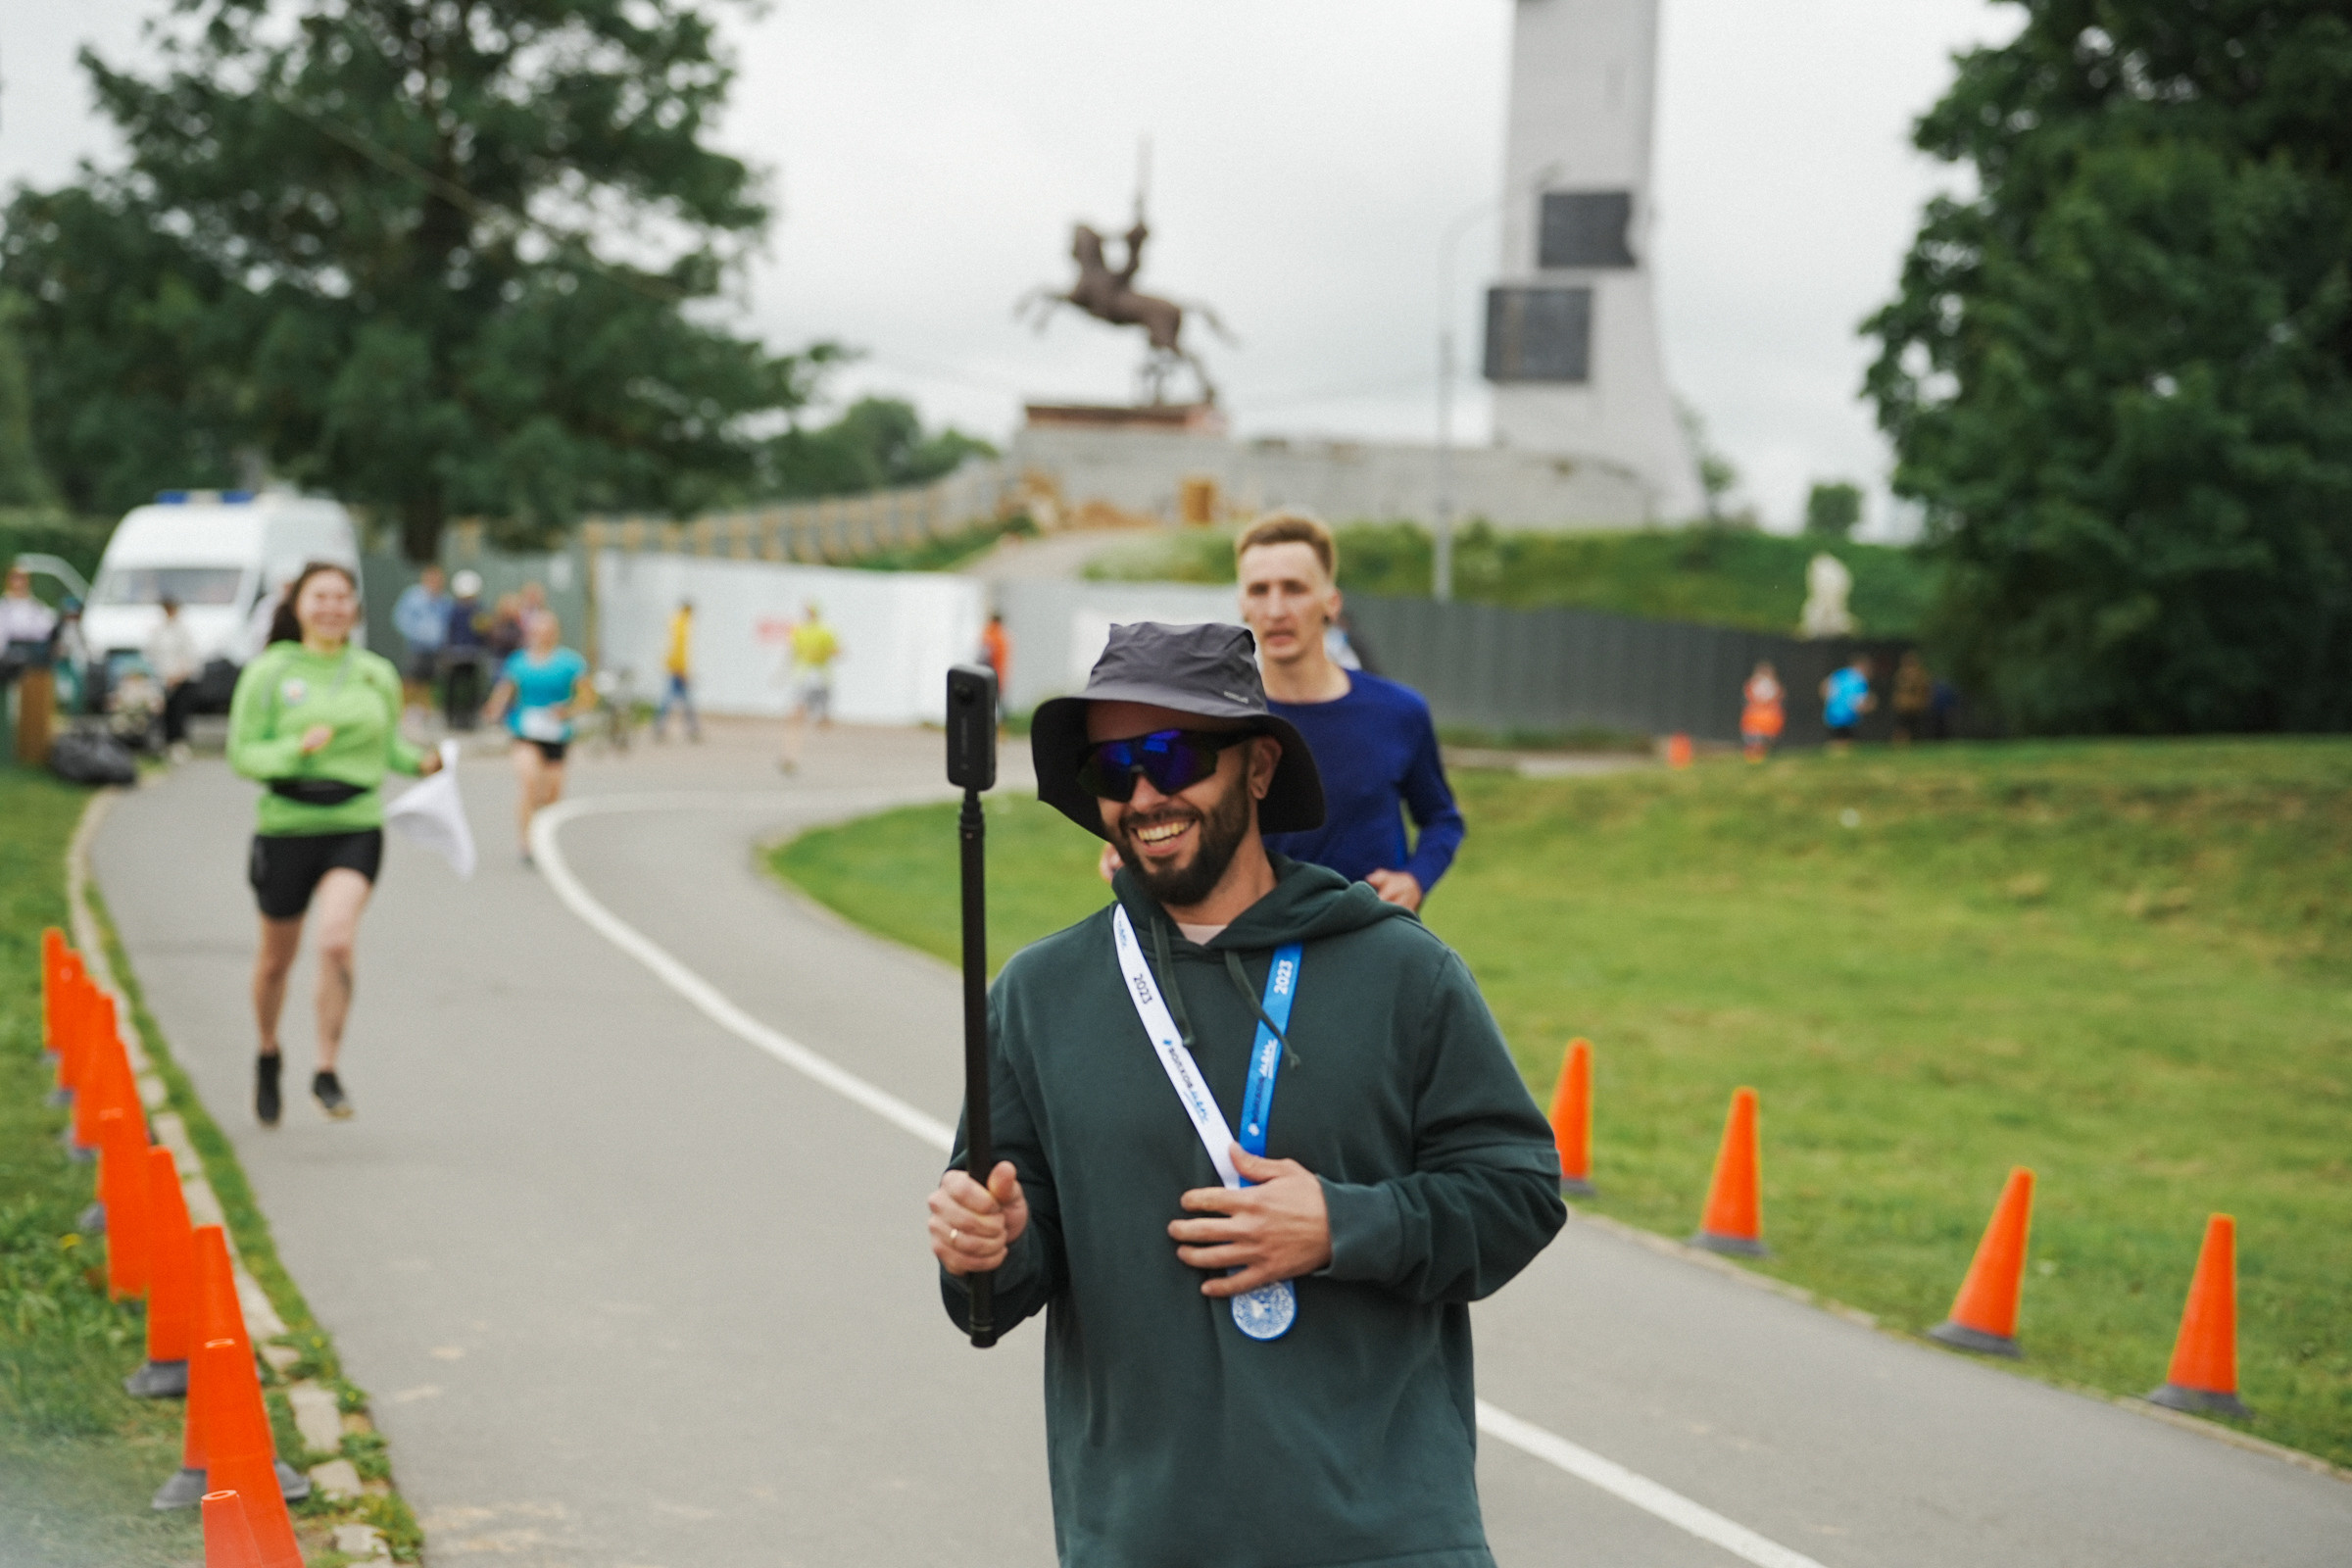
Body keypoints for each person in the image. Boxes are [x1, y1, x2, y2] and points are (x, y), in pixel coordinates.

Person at [929, 620, 1564, 1567]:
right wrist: (985, 1247)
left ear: (1258, 767)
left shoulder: (1403, 973)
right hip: (1145, 1539)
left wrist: (1345, 1225)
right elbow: (997, 1284)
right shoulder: (1040, 995)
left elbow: (1518, 1192)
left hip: (1384, 1538)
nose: (1146, 794)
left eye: (1174, 756)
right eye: (1114, 769)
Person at [226, 562, 441, 1124]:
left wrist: (424, 762)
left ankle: (326, 1068)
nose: (332, 608)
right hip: (287, 825)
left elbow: (389, 746)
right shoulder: (270, 671)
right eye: (320, 597)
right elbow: (242, 754)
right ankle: (268, 1051)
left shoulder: (375, 673)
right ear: (298, 605)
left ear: (355, 608)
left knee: (337, 941)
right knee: (276, 961)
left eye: (342, 597)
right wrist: (295, 749)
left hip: (354, 824)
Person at [1235, 511, 1465, 912]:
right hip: (1256, 937)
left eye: (1294, 588)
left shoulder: (1398, 712)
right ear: (1242, 604)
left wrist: (1415, 879)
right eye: (1259, 590)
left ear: (1332, 602)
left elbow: (1442, 819)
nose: (1275, 609)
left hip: (1368, 935)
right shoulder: (1222, 718)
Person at [482, 609, 592, 864]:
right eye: (538, 630)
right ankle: (526, 843)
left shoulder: (570, 663)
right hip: (526, 731)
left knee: (552, 793)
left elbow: (587, 698)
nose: (542, 635)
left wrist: (568, 711)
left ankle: (543, 836)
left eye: (547, 630)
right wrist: (494, 707)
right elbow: (505, 690)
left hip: (556, 734)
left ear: (555, 633)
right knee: (530, 784)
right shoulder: (518, 662)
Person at [778, 600, 839, 772]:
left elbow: (793, 653)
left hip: (814, 678)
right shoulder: (820, 631)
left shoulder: (813, 631)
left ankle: (790, 754)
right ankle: (789, 756)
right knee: (798, 717)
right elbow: (837, 652)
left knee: (805, 719)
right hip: (813, 678)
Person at [144, 595, 202, 760]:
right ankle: (167, 743)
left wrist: (179, 675)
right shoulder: (159, 630)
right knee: (165, 713)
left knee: (179, 712)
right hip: (163, 679)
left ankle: (179, 743)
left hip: (182, 679)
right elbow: (152, 655)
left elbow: (190, 656)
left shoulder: (183, 630)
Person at [391, 564, 451, 714]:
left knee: (430, 681)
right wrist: (418, 634)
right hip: (417, 647)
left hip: (436, 649)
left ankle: (424, 712)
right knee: (412, 679)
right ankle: (401, 709)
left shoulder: (444, 601)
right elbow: (400, 619)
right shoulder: (413, 597)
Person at [440, 570, 489, 730]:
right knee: (452, 687)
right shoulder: (453, 610)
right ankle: (451, 717)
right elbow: (449, 633)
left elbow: (483, 634)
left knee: (472, 688)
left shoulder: (479, 610)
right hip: (456, 655)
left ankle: (470, 717)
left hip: (472, 656)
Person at [654, 598, 701, 742]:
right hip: (677, 669)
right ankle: (691, 728)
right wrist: (682, 670)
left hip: (673, 667)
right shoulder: (682, 625)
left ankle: (663, 727)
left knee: (678, 700)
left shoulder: (675, 622)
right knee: (676, 700)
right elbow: (679, 651)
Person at [1821, 654, 1875, 752]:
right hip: (1848, 716)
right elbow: (1860, 702)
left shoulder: (1840, 674)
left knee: (1836, 740)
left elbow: (1824, 687)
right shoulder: (1860, 680)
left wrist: (1829, 700)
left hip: (1832, 714)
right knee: (1846, 743)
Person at [1740, 659, 1785, 762]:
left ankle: (1760, 753)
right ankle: (1754, 753)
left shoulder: (1774, 687)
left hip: (1767, 719)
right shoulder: (1752, 685)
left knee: (1764, 738)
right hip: (1756, 719)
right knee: (1754, 737)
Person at [1891, 650, 1934, 744]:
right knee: (1902, 728)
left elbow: (1925, 690)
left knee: (1917, 729)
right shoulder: (1901, 675)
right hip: (1904, 708)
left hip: (1917, 707)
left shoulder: (1920, 675)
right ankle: (1901, 744)